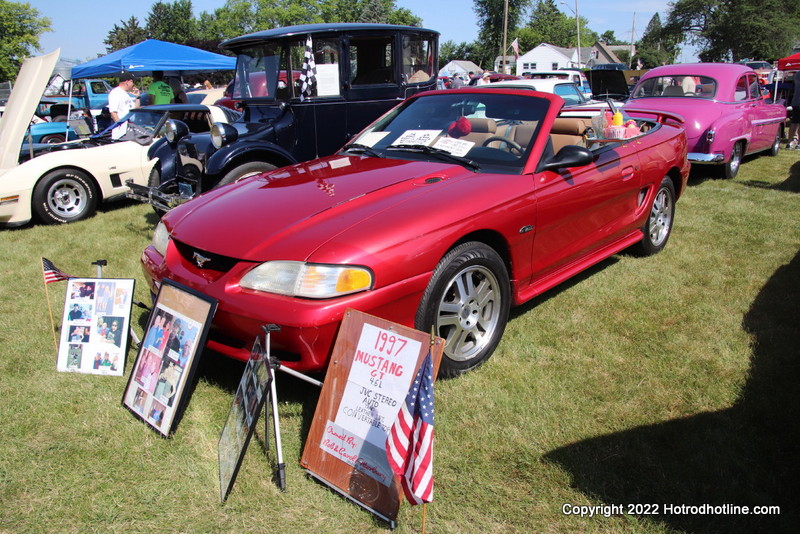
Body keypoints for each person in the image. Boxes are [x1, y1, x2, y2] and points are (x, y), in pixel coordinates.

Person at [108, 73, 140, 139]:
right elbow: (113, 113)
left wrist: (138, 97)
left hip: (130, 128)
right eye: (133, 82)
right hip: (122, 132)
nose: (134, 84)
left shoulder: (126, 94)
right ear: (127, 82)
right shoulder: (116, 93)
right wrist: (121, 127)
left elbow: (135, 109)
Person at [788, 72, 800, 149]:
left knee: (794, 123)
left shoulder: (797, 74)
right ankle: (799, 144)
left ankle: (789, 143)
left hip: (795, 101)